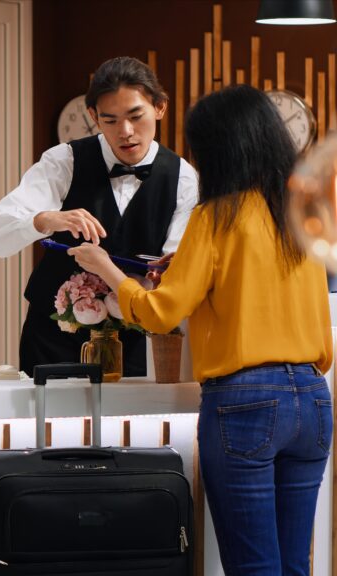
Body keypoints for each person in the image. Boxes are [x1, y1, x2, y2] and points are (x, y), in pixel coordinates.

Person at [70, 84, 333, 575]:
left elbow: (159, 315)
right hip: (314, 400)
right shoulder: (302, 217)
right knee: (295, 565)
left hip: (245, 402)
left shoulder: (215, 218)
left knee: (253, 567)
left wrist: (105, 266)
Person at [0, 56, 198, 376]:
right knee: (48, 427)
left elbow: (173, 273)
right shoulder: (64, 160)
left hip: (135, 342)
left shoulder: (183, 176)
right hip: (53, 341)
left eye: (136, 116)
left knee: (129, 427)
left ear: (160, 108)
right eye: (110, 120)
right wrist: (45, 220)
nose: (126, 132)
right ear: (94, 116)